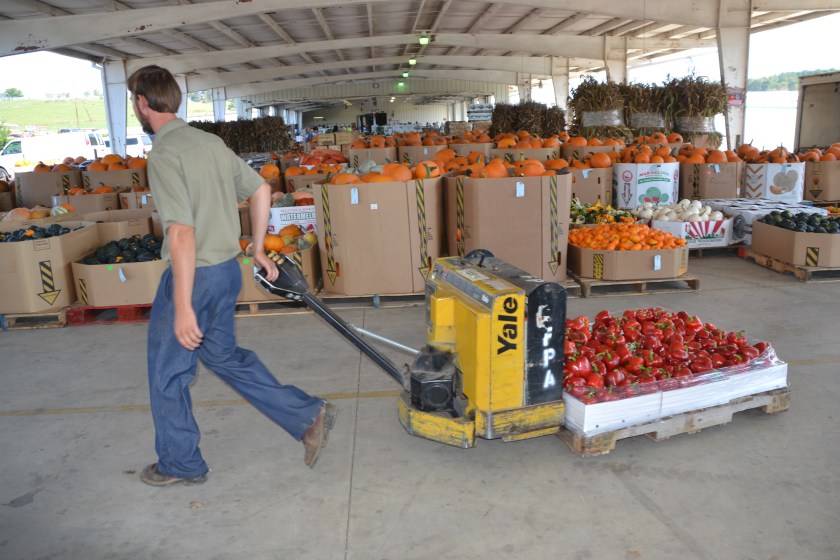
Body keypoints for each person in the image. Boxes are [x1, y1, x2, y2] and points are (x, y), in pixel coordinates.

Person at [127, 65, 337, 487]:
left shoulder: (165, 154)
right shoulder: (208, 142)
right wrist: (257, 248)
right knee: (223, 357)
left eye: (135, 100)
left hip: (195, 277)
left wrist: (183, 307)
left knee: (168, 374)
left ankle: (179, 463)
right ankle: (306, 415)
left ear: (143, 103)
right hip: (225, 272)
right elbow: (261, 189)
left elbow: (182, 233)